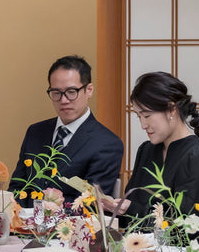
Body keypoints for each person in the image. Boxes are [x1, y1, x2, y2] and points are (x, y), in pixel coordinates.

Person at [105, 72, 199, 240]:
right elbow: (133, 203)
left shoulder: (196, 157)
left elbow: (184, 225)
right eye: (139, 117)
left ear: (171, 109)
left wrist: (130, 208)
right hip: (145, 248)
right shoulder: (147, 150)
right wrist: (117, 206)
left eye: (147, 116)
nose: (143, 125)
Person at [9, 55, 123, 203]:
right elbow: (18, 186)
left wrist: (45, 215)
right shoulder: (35, 132)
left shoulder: (107, 143)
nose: (63, 100)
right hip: (24, 223)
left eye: (71, 92)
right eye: (56, 93)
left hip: (71, 224)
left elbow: (92, 204)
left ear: (89, 90)